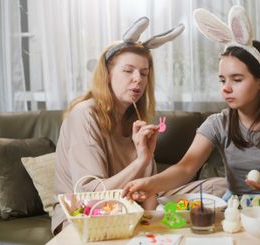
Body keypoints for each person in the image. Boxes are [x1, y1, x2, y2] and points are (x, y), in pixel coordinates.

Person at [122, 6, 260, 205]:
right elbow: (186, 168)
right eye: (222, 80)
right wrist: (150, 183)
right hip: (236, 208)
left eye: (237, 79)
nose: (226, 88)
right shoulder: (217, 124)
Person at [51, 17, 185, 235]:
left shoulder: (137, 118)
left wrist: (156, 221)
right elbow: (91, 196)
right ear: (108, 74)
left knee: (214, 188)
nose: (138, 80)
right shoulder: (84, 115)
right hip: (83, 218)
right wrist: (142, 159)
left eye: (144, 73)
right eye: (128, 70)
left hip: (126, 210)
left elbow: (146, 190)